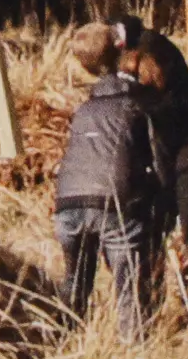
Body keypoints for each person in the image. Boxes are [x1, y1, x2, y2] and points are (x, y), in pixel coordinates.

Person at [110, 12, 188, 307]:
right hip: (162, 156)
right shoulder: (134, 81)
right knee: (153, 232)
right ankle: (152, 305)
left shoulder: (156, 52)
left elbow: (170, 104)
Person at [55, 23, 163, 341]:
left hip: (68, 203)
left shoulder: (83, 110)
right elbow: (157, 161)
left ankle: (63, 341)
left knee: (75, 284)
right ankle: (135, 350)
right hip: (114, 203)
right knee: (130, 289)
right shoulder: (138, 104)